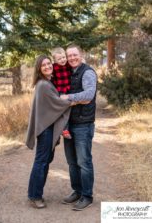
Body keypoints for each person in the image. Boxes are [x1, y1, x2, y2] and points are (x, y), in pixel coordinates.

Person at [26, 55, 73, 209]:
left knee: (44, 161)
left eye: (48, 64)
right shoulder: (44, 85)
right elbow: (58, 103)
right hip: (45, 129)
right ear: (39, 69)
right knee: (41, 162)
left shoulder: (46, 82)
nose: (47, 66)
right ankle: (35, 196)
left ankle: (34, 194)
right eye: (43, 65)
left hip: (46, 127)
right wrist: (74, 100)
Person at [60, 44, 97, 211]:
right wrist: (75, 100)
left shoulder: (87, 72)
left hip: (83, 125)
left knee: (84, 162)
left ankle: (87, 196)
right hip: (69, 124)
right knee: (72, 162)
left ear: (81, 55)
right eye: (69, 56)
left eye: (75, 55)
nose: (72, 58)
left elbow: (88, 95)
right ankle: (77, 191)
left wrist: (69, 98)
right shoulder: (67, 73)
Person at [51, 47, 72, 139]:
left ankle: (66, 128)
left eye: (64, 57)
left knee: (69, 109)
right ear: (55, 60)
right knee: (63, 110)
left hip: (69, 89)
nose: (62, 60)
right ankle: (64, 129)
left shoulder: (68, 65)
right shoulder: (54, 67)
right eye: (59, 59)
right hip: (60, 91)